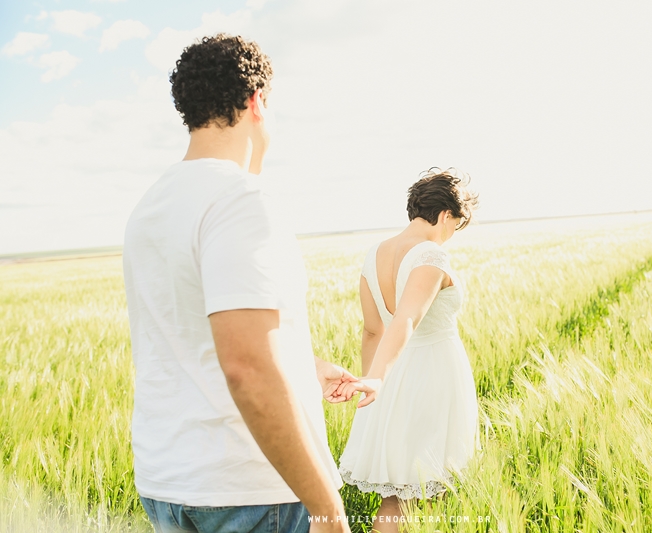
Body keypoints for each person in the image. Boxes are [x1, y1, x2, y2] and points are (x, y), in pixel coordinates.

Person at [122, 34, 354, 533]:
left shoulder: (150, 206)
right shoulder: (240, 197)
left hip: (167, 484)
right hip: (249, 487)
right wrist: (328, 510)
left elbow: (191, 334)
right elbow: (246, 367)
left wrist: (304, 368)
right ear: (257, 101)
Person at [334, 169, 481, 532]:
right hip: (432, 379)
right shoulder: (431, 255)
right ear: (446, 215)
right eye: (457, 224)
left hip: (391, 379)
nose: (453, 233)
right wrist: (376, 380)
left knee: (397, 497)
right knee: (433, 488)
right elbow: (408, 318)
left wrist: (373, 383)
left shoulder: (375, 254)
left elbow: (373, 330)